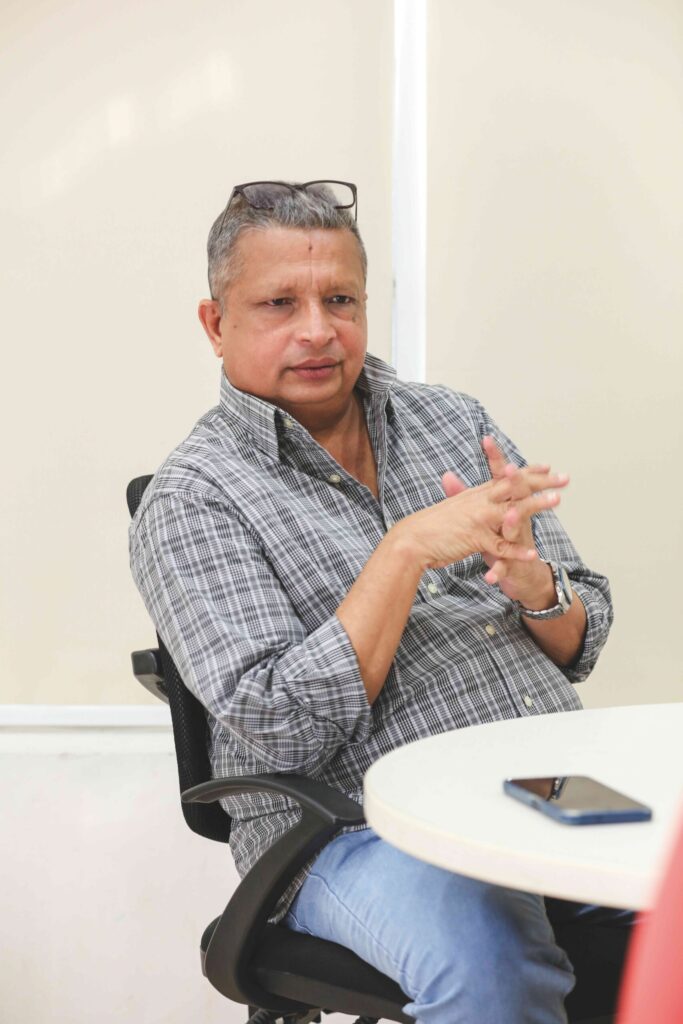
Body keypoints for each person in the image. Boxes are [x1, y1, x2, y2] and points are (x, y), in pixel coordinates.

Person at [129, 180, 631, 1023]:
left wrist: (536, 590)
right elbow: (278, 725)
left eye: (340, 300)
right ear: (216, 325)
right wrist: (402, 552)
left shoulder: (451, 420)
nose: (318, 329)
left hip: (544, 783)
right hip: (356, 826)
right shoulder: (193, 498)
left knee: (669, 890)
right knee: (491, 960)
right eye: (279, 303)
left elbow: (581, 641)